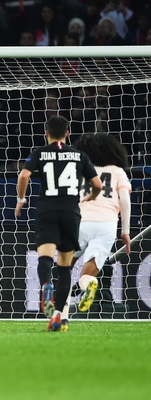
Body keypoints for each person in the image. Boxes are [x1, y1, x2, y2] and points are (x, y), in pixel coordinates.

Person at [15, 115, 102, 331]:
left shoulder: (40, 152)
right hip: (70, 213)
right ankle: (57, 316)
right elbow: (98, 185)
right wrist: (90, 197)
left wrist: (21, 199)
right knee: (65, 266)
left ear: (46, 133)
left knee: (45, 257)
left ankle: (46, 285)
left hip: (47, 210)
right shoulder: (79, 155)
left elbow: (24, 176)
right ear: (67, 133)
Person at [59, 134, 132, 329]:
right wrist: (125, 231)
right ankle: (87, 285)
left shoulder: (80, 169)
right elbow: (125, 201)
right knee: (90, 270)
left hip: (80, 221)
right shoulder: (118, 171)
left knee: (64, 269)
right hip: (107, 224)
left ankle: (62, 317)